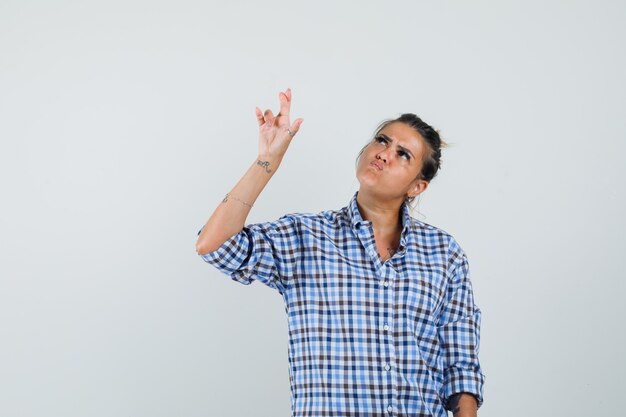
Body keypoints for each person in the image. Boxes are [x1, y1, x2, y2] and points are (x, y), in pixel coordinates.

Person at [195, 88, 486, 417]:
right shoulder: (306, 237)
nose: (385, 153)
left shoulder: (444, 254)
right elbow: (213, 245)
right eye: (382, 140)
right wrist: (268, 160)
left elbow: (460, 367)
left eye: (403, 154)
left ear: (417, 187)